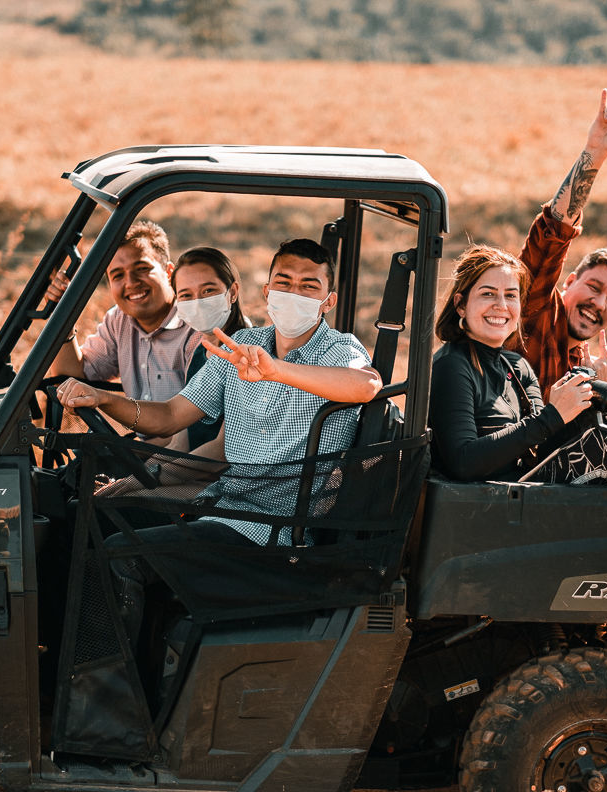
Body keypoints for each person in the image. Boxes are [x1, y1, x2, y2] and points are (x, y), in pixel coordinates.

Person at [56, 238, 382, 639]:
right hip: (223, 502)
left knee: (122, 558)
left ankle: (104, 688)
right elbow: (172, 415)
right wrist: (105, 398)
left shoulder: (337, 349)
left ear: (327, 301)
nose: (293, 293)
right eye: (284, 281)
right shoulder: (245, 347)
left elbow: (365, 385)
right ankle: (65, 654)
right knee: (87, 517)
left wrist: (277, 371)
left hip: (270, 527)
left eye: (308, 286)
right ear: (267, 291)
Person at [517, 89, 607, 397]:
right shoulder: (535, 311)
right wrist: (596, 153)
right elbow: (554, 231)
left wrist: (602, 393)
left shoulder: (585, 366)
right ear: (570, 281)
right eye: (594, 287)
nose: (599, 304)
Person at [429, 245, 593, 482]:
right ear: (461, 305)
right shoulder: (451, 365)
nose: (501, 306)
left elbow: (542, 447)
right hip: (479, 506)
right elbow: (462, 462)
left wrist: (585, 401)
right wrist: (552, 415)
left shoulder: (518, 367)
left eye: (510, 295)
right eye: (488, 294)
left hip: (528, 493)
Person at [47, 220, 200, 405]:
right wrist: (63, 316)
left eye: (142, 269)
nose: (131, 282)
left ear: (169, 272)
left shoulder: (197, 325)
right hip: (139, 434)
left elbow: (199, 422)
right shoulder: (118, 320)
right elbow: (72, 379)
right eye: (118, 275)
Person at [169, 246, 251, 451]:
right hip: (189, 471)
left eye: (208, 291)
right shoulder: (198, 352)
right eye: (186, 295)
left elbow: (221, 451)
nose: (198, 303)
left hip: (222, 478)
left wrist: (146, 480)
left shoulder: (247, 354)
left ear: (232, 292)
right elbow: (180, 442)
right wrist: (134, 480)